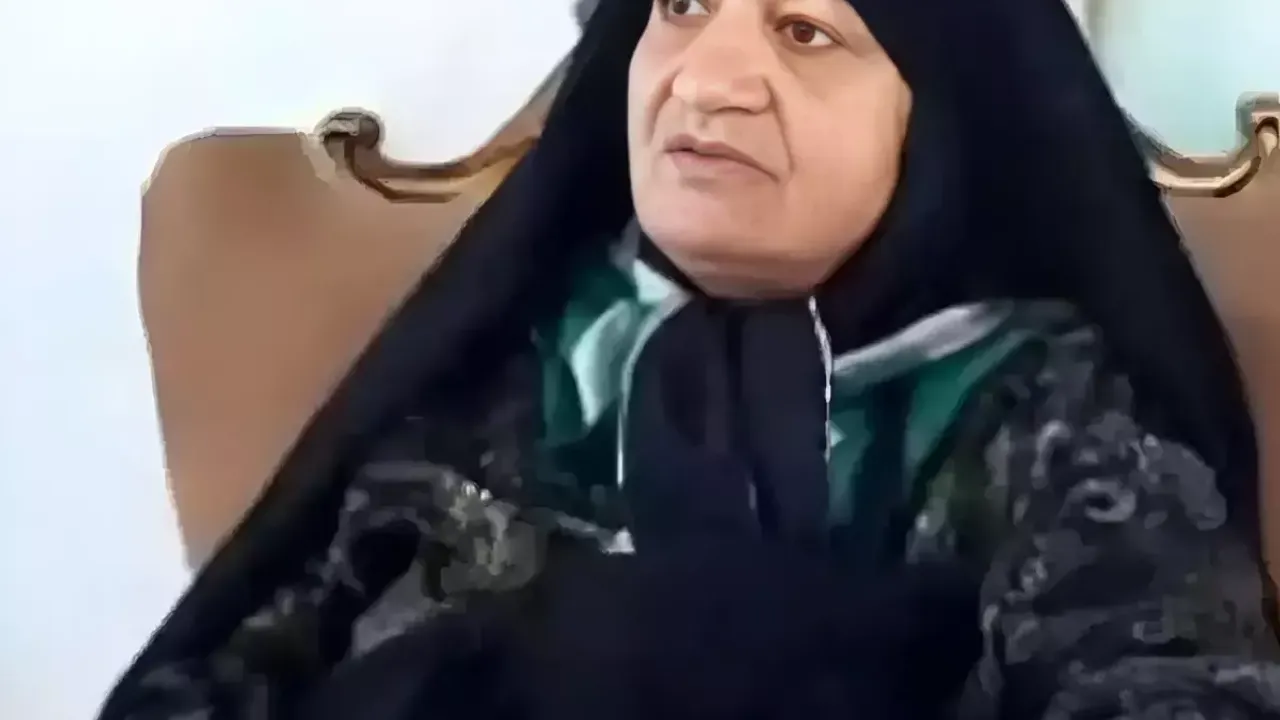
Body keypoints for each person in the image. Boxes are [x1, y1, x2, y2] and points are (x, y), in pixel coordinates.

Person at [99, 0, 1280, 718]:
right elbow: (253, 662)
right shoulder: (513, 364)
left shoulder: (1036, 408)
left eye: (805, 32)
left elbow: (1162, 681)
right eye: (678, 6)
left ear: (938, 117)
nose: (705, 80)